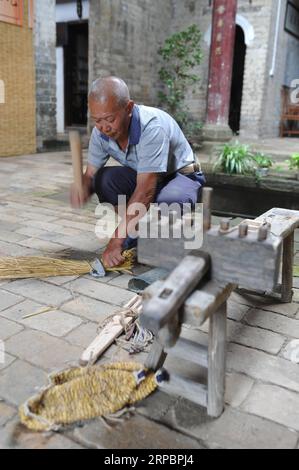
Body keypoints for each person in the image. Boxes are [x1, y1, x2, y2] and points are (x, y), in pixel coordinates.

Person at [70, 76, 205, 268]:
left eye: (110, 119)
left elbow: (145, 190)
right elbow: (90, 174)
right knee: (103, 180)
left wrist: (115, 241)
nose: (104, 127)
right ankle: (135, 232)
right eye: (97, 120)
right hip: (147, 176)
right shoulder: (100, 132)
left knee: (169, 202)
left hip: (181, 175)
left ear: (128, 108)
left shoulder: (152, 126)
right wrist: (82, 187)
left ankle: (147, 238)